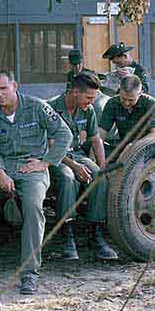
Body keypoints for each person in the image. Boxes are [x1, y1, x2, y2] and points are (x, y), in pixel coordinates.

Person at [0, 70, 72, 295]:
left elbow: (64, 134)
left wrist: (46, 162)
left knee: (33, 206)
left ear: (15, 86)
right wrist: (0, 173)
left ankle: (29, 272)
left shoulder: (37, 107)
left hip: (31, 168)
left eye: (3, 88)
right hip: (0, 166)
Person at [48, 72, 116, 261]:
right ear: (75, 92)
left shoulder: (88, 110)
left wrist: (101, 166)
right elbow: (51, 146)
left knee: (99, 178)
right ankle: (67, 236)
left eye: (94, 98)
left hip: (77, 154)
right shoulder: (51, 108)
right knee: (68, 178)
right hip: (56, 158)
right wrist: (75, 166)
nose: (91, 102)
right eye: (88, 97)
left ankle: (96, 233)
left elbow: (96, 140)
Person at [98, 75, 155, 157]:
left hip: (147, 147)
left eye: (131, 100)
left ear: (140, 93)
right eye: (123, 98)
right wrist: (95, 156)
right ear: (120, 91)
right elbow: (101, 133)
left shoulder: (151, 104)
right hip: (123, 146)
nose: (126, 103)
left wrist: (133, 146)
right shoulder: (112, 103)